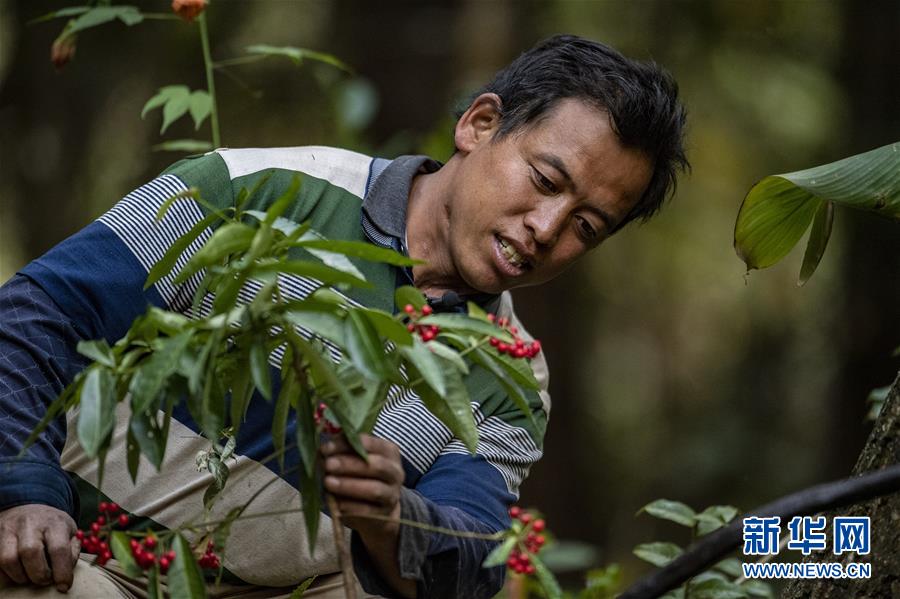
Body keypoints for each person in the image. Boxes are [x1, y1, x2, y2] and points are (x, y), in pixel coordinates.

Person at [0, 34, 687, 598]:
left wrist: (391, 519)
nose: (546, 227)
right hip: (77, 557)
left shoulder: (507, 374)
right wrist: (26, 490)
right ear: (480, 125)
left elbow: (469, 554)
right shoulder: (258, 190)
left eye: (587, 225)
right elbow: (38, 314)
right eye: (545, 180)